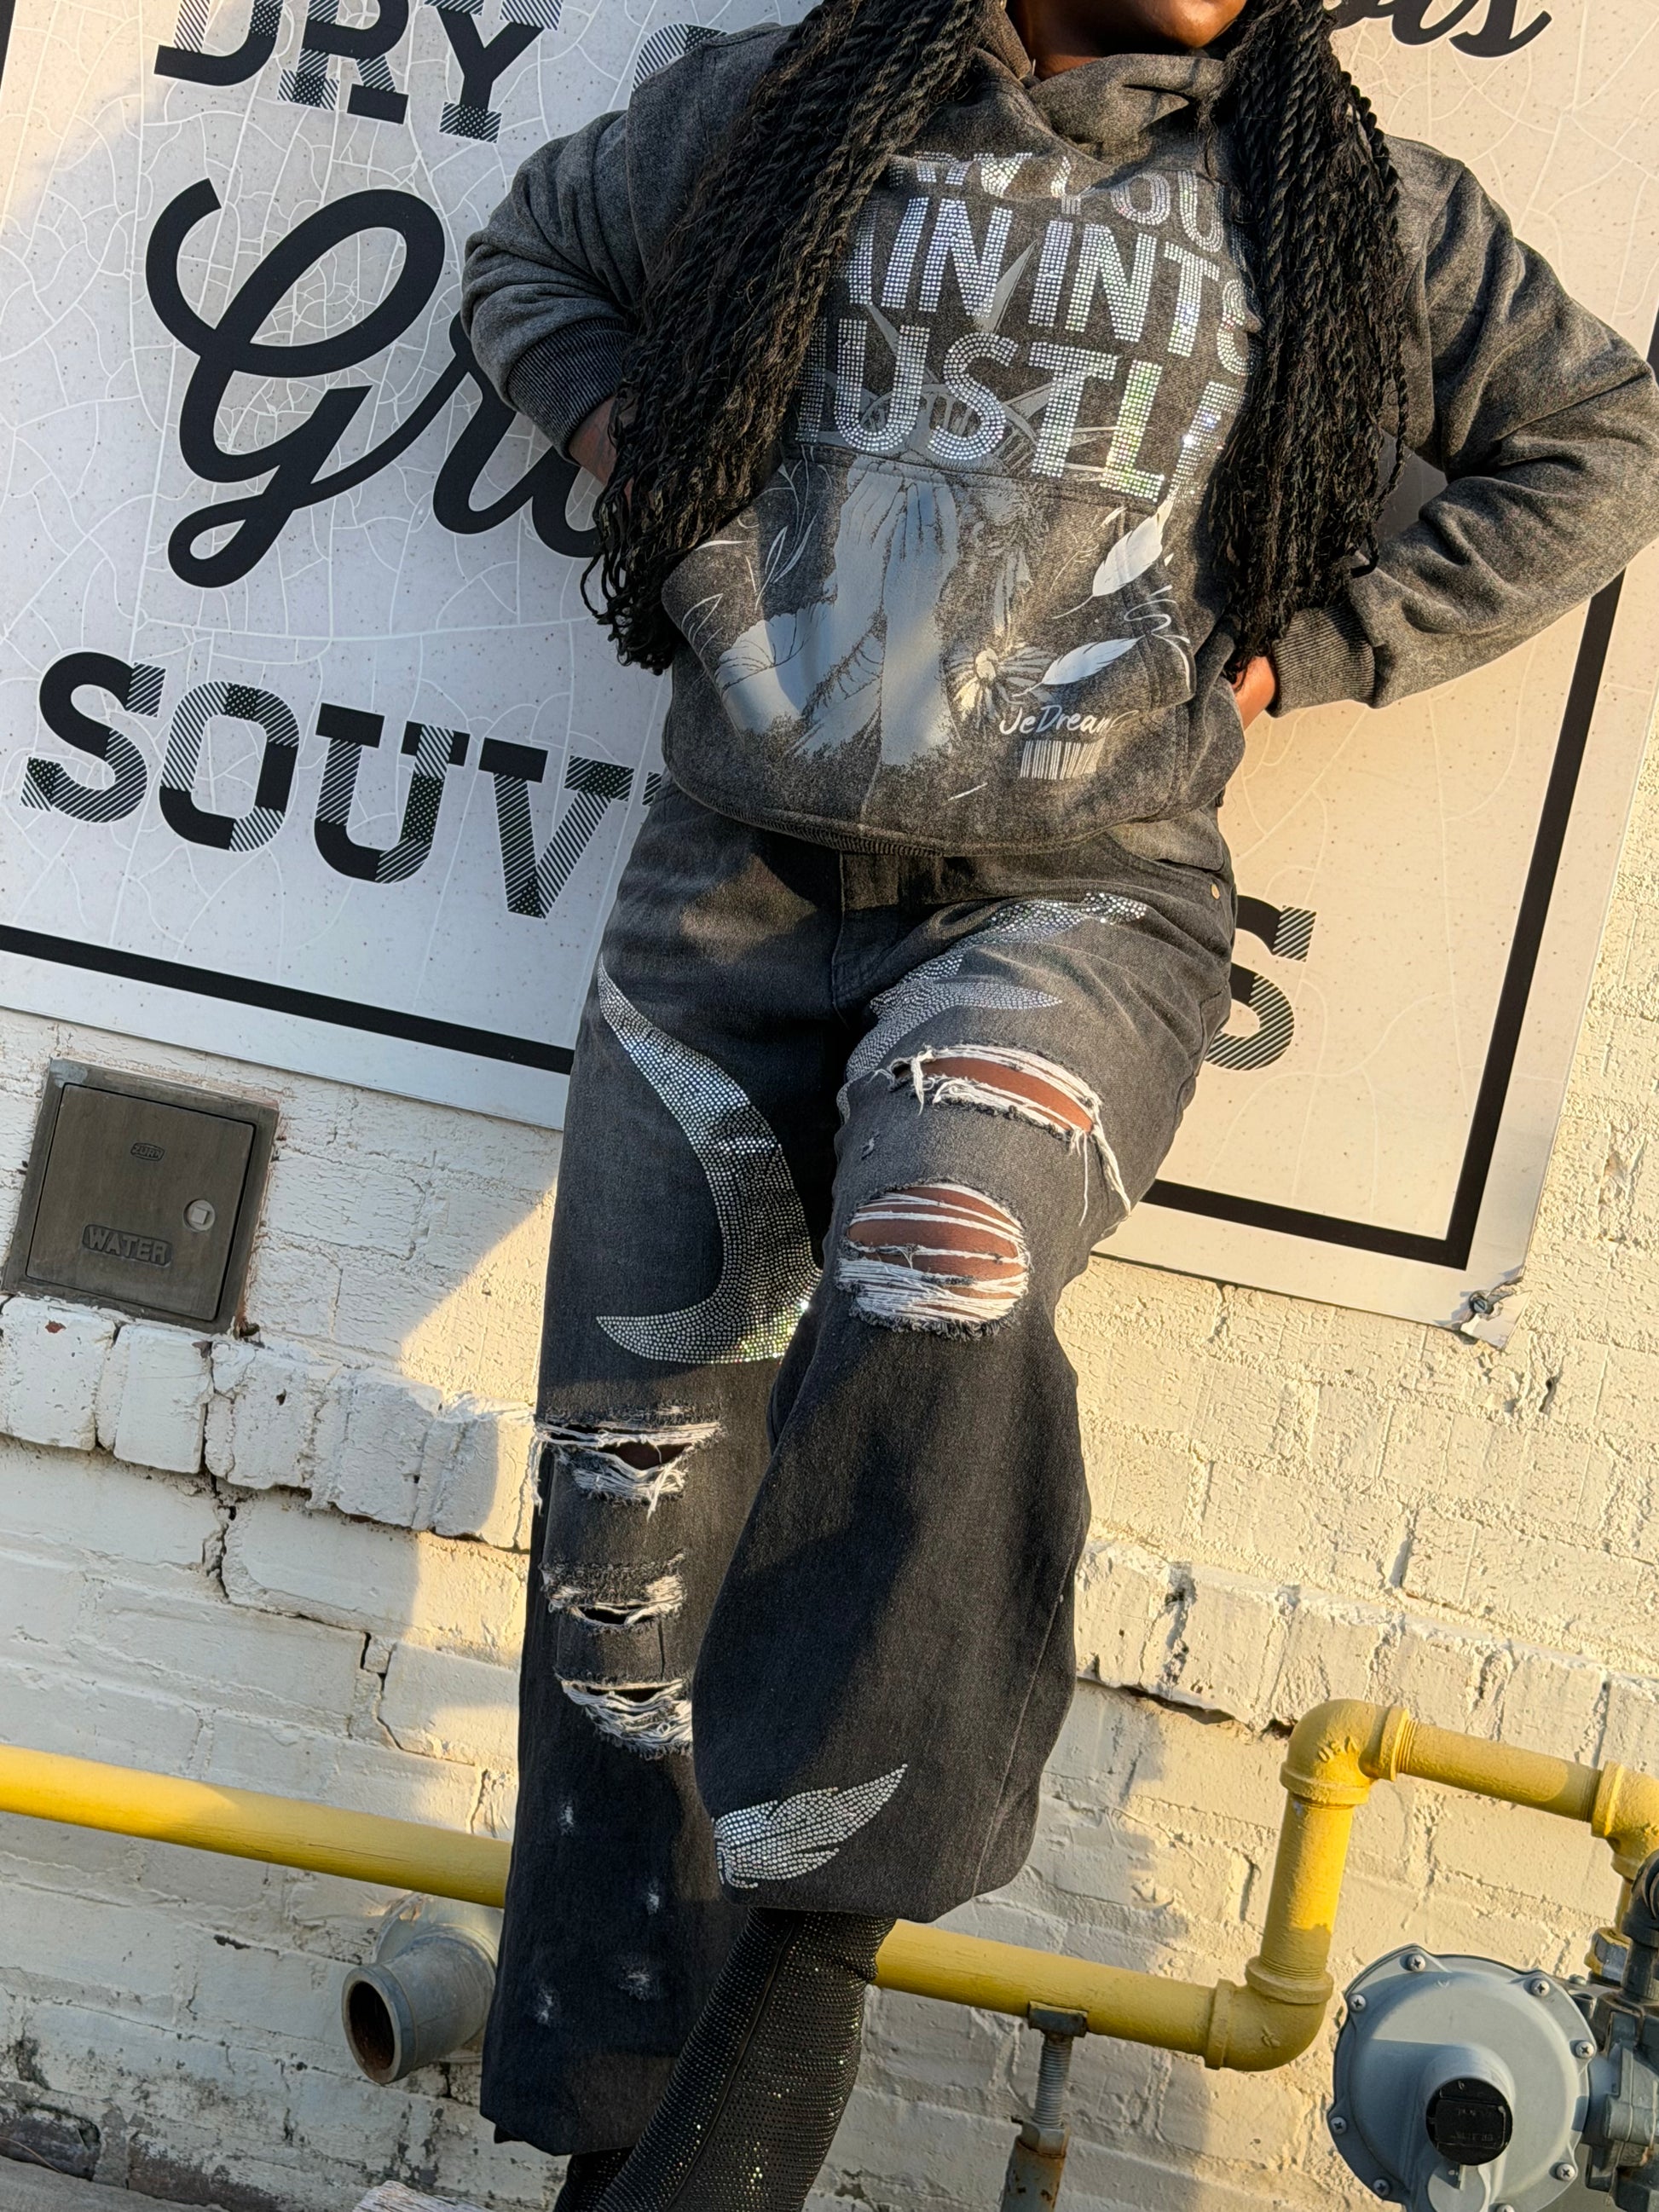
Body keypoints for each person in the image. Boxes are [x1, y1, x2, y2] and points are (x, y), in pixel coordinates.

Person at [461, 0, 1659, 2203]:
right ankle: (617, 2150)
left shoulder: (1346, 205)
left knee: (948, 1269)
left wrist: (1324, 641)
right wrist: (638, 445)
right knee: (627, 1566)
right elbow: (526, 267)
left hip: (1075, 908)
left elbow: (1596, 435)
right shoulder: (770, 113)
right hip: (720, 894)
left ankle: (819, 1929)